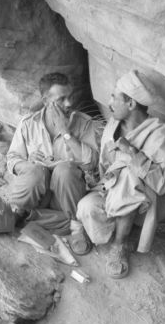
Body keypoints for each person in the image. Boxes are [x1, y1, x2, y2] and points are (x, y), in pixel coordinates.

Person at [77, 69, 165, 278]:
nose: (109, 102)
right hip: (110, 189)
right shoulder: (113, 125)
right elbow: (104, 166)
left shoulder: (158, 132)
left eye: (114, 97)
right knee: (86, 207)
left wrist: (132, 153)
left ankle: (119, 246)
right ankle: (113, 232)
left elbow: (162, 183)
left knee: (129, 179)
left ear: (131, 104)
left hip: (141, 201)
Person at [7, 72, 101, 254]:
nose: (69, 104)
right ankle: (69, 224)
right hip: (37, 197)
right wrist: (30, 165)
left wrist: (66, 133)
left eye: (70, 97)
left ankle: (58, 224)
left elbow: (92, 163)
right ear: (45, 100)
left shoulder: (84, 123)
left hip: (66, 199)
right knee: (36, 172)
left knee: (65, 169)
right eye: (61, 99)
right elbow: (12, 159)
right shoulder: (28, 124)